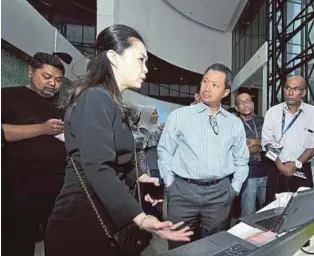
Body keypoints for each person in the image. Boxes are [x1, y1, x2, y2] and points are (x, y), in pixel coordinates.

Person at [44, 24, 192, 256]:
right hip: (81, 222)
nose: (145, 69)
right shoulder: (95, 98)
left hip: (103, 215)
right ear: (114, 57)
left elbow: (112, 159)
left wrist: (138, 177)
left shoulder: (110, 102)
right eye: (140, 60)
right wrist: (142, 219)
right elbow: (98, 166)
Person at [158, 63, 249, 249]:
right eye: (205, 81)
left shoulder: (234, 123)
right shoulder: (179, 116)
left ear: (225, 92)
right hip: (183, 192)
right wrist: (170, 183)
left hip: (220, 193)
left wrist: (234, 189)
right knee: (179, 246)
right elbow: (165, 150)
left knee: (214, 247)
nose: (207, 88)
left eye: (215, 85)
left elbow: (242, 160)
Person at [1, 52, 66, 256]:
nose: (52, 84)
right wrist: (42, 128)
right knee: (18, 244)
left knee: (60, 242)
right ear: (31, 71)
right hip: (17, 188)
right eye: (47, 77)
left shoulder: (62, 105)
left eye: (58, 80)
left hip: (57, 187)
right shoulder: (8, 96)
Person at [262, 75, 314, 202]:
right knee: (273, 210)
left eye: (295, 89)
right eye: (287, 88)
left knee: (303, 210)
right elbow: (267, 143)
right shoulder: (272, 112)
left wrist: (296, 164)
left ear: (304, 92)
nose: (290, 92)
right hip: (277, 168)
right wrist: (279, 165)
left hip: (302, 168)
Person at [235, 92, 267, 217]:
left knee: (268, 208)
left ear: (252, 104)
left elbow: (272, 142)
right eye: (241, 103)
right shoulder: (234, 125)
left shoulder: (261, 120)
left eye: (248, 101)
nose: (245, 105)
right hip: (248, 174)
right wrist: (261, 145)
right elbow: (238, 151)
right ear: (237, 108)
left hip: (267, 170)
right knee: (248, 212)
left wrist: (255, 142)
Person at [132, 105, 165, 218]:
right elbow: (141, 143)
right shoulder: (139, 131)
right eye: (153, 113)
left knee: (158, 202)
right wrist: (159, 131)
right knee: (147, 202)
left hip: (160, 170)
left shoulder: (157, 131)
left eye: (156, 113)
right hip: (147, 171)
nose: (156, 116)